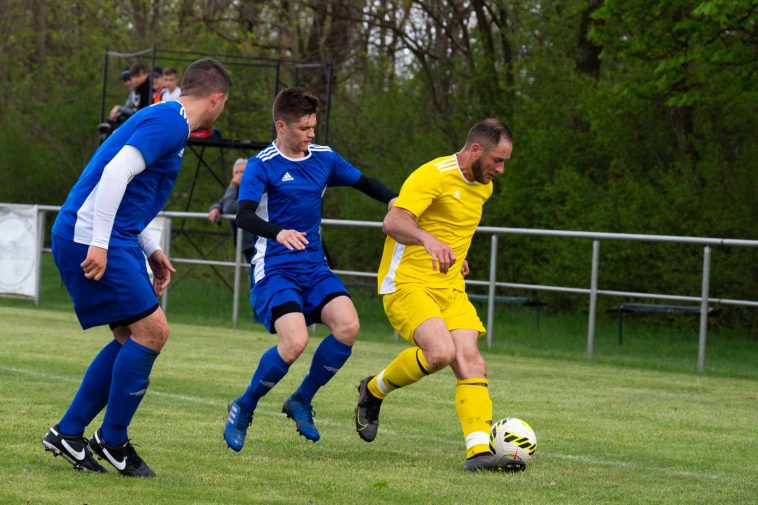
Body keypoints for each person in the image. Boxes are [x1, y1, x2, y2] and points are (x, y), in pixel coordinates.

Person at [43, 59, 231, 478]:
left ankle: (69, 432)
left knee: (133, 336)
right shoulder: (172, 122)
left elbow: (132, 192)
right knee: (153, 332)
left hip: (107, 235)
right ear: (217, 99)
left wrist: (151, 248)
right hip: (90, 236)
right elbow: (114, 175)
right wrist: (100, 243)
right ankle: (112, 441)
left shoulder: (165, 118)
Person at [223, 87, 397, 451]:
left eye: (314, 126)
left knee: (348, 326)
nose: (311, 134)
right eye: (304, 128)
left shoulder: (323, 158)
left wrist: (393, 199)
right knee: (295, 342)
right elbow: (243, 215)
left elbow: (362, 181)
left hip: (314, 266)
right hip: (275, 269)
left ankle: (301, 399)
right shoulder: (262, 165)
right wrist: (278, 232)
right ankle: (245, 405)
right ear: (281, 125)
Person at [353, 119, 526, 473]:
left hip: (449, 287)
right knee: (440, 353)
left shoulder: (483, 186)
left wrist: (458, 258)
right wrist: (428, 241)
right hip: (406, 283)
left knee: (472, 362)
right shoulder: (432, 174)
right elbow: (394, 222)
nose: (501, 169)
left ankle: (478, 453)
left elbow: (454, 229)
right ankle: (373, 389)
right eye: (497, 160)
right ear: (475, 150)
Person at [208, 158, 255, 272]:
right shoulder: (237, 189)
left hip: (255, 243)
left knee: (257, 282)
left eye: (242, 171)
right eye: (236, 172)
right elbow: (224, 202)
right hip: (246, 244)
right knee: (252, 280)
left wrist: (232, 186)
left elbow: (230, 208)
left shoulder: (254, 187)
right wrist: (216, 207)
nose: (239, 175)